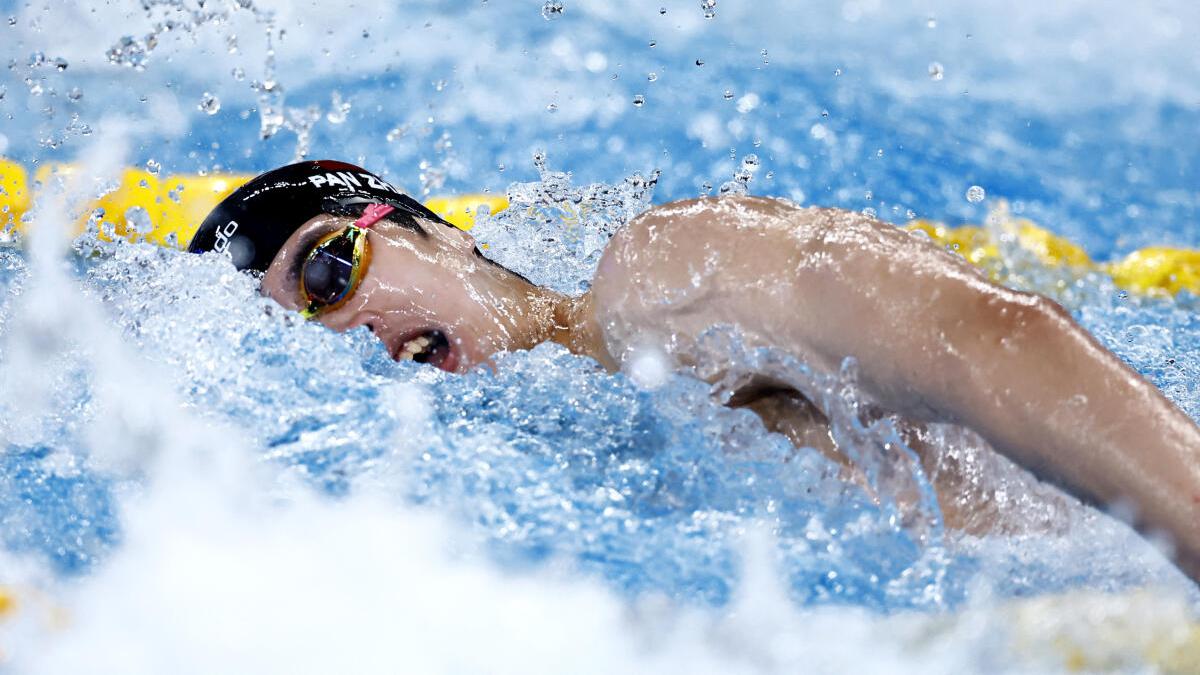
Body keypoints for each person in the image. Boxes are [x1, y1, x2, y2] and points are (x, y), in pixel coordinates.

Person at [188, 159, 1200, 583]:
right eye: (301, 334)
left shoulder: (660, 283)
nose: (347, 326)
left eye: (329, 268)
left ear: (442, 235)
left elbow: (992, 339)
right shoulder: (517, 517)